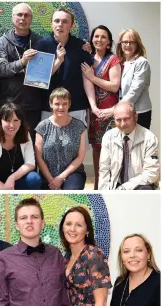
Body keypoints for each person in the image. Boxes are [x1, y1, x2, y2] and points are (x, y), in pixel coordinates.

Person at [0, 198, 71, 306]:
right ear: (16, 225)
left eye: (34, 217)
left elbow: (63, 299)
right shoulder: (3, 260)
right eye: (23, 218)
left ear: (42, 222)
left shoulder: (56, 254)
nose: (29, 222)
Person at [59, 206, 114, 306]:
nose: (72, 229)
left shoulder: (93, 255)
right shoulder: (65, 258)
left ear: (87, 230)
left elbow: (101, 302)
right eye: (69, 224)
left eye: (79, 225)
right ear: (62, 227)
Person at [36, 8, 100, 125]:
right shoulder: (42, 45)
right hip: (49, 107)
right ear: (51, 24)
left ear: (72, 25)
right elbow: (39, 79)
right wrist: (59, 61)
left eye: (65, 21)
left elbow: (86, 77)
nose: (60, 25)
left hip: (76, 106)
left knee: (78, 143)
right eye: (56, 21)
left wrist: (93, 105)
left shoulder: (81, 46)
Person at [0, 3, 42, 142]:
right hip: (11, 102)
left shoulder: (40, 41)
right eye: (19, 15)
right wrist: (22, 62)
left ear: (31, 19)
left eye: (26, 15)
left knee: (32, 143)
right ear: (13, 18)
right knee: (11, 142)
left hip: (34, 102)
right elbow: (0, 70)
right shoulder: (2, 42)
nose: (23, 18)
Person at [81, 25, 121, 189]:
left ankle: (114, 185)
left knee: (113, 149)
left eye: (103, 37)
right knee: (97, 149)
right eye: (96, 36)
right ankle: (98, 185)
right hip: (95, 112)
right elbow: (86, 83)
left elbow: (114, 86)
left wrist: (92, 76)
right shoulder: (88, 58)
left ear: (109, 43)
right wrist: (94, 108)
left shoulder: (113, 60)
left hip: (111, 112)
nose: (99, 39)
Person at [110, 234, 160, 306]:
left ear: (148, 254)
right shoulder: (119, 283)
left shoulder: (158, 283)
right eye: (126, 251)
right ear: (122, 257)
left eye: (138, 250)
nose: (132, 255)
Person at [99, 101, 159, 190]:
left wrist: (125, 188)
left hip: (139, 185)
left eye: (126, 119)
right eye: (118, 120)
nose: (123, 124)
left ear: (136, 117)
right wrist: (104, 194)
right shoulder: (108, 137)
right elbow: (104, 169)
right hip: (116, 185)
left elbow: (152, 173)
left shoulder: (149, 138)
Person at [0, 102, 41, 190]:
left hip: (17, 182)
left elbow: (30, 163)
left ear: (21, 122)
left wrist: (12, 178)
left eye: (16, 120)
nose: (12, 125)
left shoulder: (25, 135)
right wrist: (8, 192)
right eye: (7, 120)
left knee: (34, 178)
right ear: (0, 121)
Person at [35, 88, 86, 190]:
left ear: (69, 104)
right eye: (57, 104)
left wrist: (61, 177)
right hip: (47, 175)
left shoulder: (79, 126)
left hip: (72, 174)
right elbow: (39, 158)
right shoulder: (42, 126)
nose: (61, 107)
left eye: (65, 103)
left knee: (70, 195)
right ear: (51, 104)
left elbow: (80, 157)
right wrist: (51, 180)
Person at [117, 29, 152, 129]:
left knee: (138, 144)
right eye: (125, 42)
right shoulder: (121, 62)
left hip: (139, 112)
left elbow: (134, 91)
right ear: (120, 44)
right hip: (124, 112)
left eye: (131, 42)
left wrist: (116, 108)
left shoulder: (141, 62)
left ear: (137, 44)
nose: (128, 45)